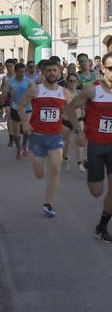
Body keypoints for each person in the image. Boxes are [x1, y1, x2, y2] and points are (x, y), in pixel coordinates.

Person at [66, 52, 112, 243]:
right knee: (96, 192)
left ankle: (102, 227)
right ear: (103, 69)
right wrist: (78, 130)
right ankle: (91, 164)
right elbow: (70, 108)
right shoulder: (92, 90)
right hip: (96, 145)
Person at [17, 58, 72, 217]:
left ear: (59, 71)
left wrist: (79, 123)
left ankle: (48, 204)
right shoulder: (36, 90)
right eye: (48, 71)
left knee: (55, 169)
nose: (52, 73)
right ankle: (40, 169)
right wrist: (25, 123)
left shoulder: (64, 92)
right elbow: (20, 105)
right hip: (37, 137)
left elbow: (72, 110)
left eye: (55, 70)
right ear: (43, 72)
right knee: (40, 174)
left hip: (55, 136)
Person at [5, 63, 35, 158]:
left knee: (26, 129)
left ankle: (24, 145)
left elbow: (35, 92)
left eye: (23, 72)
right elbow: (4, 94)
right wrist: (9, 93)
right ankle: (19, 149)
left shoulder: (29, 81)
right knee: (16, 134)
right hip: (15, 108)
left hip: (27, 108)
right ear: (15, 72)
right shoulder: (9, 82)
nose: (22, 74)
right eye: (20, 72)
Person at [61, 73, 87, 172]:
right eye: (70, 81)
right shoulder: (63, 93)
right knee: (65, 143)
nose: (72, 83)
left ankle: (80, 163)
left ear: (77, 83)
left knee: (80, 142)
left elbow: (84, 104)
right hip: (66, 121)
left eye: (74, 81)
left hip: (79, 120)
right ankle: (65, 158)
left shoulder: (80, 93)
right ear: (67, 82)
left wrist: (83, 109)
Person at [1, 59, 17, 147]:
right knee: (10, 119)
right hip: (8, 100)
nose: (9, 68)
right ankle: (11, 138)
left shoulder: (19, 77)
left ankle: (17, 135)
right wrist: (2, 99)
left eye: (11, 66)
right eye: (7, 66)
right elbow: (2, 89)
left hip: (18, 100)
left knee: (17, 120)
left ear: (14, 66)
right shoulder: (4, 78)